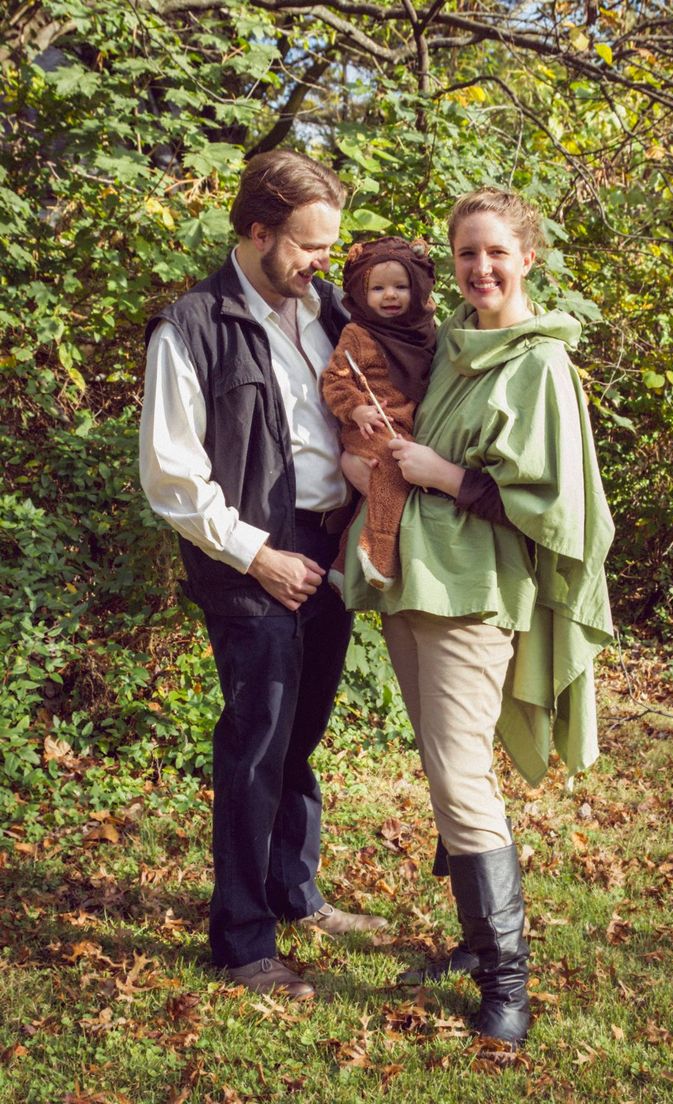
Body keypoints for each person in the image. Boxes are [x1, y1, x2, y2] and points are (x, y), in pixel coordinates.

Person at [339, 187, 614, 1045]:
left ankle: (508, 985)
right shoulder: (452, 350)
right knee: (441, 765)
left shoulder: (540, 366)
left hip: (475, 592)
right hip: (412, 583)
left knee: (462, 777)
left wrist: (438, 474)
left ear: (527, 257)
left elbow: (559, 507)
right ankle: (470, 942)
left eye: (496, 252)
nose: (481, 268)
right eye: (466, 254)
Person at [139, 149, 388, 1004]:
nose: (324, 262)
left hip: (326, 544)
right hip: (248, 556)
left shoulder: (323, 309)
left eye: (329, 245)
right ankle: (243, 940)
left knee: (302, 732)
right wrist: (258, 554)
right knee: (257, 741)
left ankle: (296, 892)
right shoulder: (192, 326)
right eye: (308, 246)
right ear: (256, 230)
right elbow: (171, 478)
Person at [320, 236, 436, 591]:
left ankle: (341, 565)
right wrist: (356, 409)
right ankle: (380, 551)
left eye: (400, 287)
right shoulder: (358, 333)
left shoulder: (424, 332)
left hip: (404, 425)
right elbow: (334, 381)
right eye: (379, 288)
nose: (390, 296)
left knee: (386, 478)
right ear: (361, 293)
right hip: (369, 426)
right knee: (394, 469)